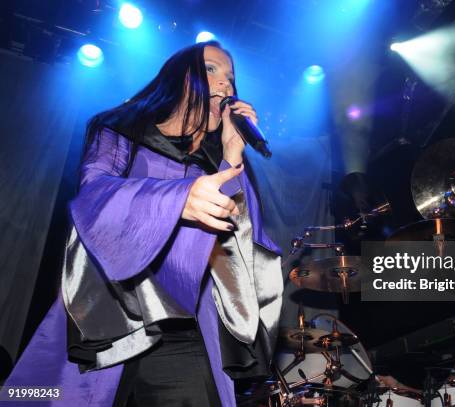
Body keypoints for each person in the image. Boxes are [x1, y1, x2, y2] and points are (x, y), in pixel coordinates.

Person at [0, 41, 284, 407]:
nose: (226, 85)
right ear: (179, 78)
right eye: (212, 70)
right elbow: (94, 197)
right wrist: (178, 199)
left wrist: (231, 153)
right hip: (109, 319)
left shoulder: (214, 164)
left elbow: (243, 244)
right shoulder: (120, 132)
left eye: (231, 78)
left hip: (186, 329)